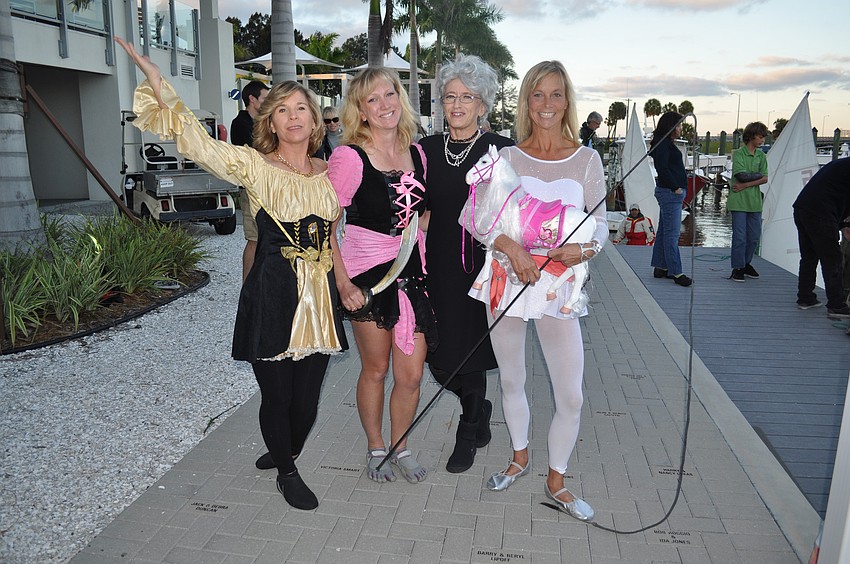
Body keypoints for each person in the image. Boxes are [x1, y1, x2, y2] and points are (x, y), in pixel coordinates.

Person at [115, 37, 348, 511]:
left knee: (306, 404)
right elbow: (199, 144)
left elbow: (333, 237)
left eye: (303, 107)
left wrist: (345, 281)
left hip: (319, 299)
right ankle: (287, 470)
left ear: (316, 119)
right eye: (283, 110)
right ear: (271, 120)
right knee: (277, 396)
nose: (295, 116)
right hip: (272, 292)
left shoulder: (329, 172)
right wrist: (160, 83)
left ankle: (286, 447)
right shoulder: (253, 164)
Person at [466, 60, 606, 522]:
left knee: (571, 396)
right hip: (507, 279)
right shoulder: (506, 157)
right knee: (511, 379)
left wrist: (581, 250)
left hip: (557, 290)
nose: (547, 104)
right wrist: (510, 246)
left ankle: (557, 479)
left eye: (556, 94)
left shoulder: (587, 160)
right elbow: (478, 220)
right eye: (538, 95)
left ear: (568, 101)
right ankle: (519, 456)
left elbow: (601, 225)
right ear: (527, 101)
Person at [327, 67, 436, 484]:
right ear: (361, 111)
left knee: (410, 375)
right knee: (375, 369)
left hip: (414, 274)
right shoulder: (349, 157)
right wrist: (343, 283)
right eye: (373, 100)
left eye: (389, 94)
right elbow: (326, 225)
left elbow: (423, 212)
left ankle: (400, 444)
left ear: (400, 99)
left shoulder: (419, 153)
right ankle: (376, 446)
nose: (384, 105)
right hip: (367, 278)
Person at [419, 55, 514, 474]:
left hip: (483, 266)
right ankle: (480, 405)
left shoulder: (503, 151)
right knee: (437, 359)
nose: (457, 105)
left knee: (470, 352)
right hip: (435, 263)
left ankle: (469, 426)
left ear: (483, 105)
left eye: (467, 97)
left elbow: (521, 208)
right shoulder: (422, 150)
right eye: (450, 96)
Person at [792, 158, 850, 319]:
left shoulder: (841, 165)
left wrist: (845, 225)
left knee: (809, 256)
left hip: (802, 208)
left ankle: (805, 297)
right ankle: (836, 305)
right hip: (821, 213)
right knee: (833, 259)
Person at [231, 80, 270, 282]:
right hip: (251, 188)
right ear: (252, 99)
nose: (268, 102)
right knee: (254, 239)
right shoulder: (240, 124)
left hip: (267, 187)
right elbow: (252, 155)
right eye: (265, 98)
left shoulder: (262, 123)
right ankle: (247, 285)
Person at [649, 111, 692, 286]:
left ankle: (660, 267)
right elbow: (663, 168)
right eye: (679, 125)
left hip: (668, 192)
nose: (681, 129)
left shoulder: (664, 144)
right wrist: (675, 187)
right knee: (672, 234)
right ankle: (676, 272)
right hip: (669, 193)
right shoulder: (664, 145)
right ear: (671, 127)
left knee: (664, 231)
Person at [728, 121, 769, 282]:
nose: (762, 140)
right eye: (760, 136)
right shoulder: (739, 154)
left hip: (755, 203)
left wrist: (745, 184)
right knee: (739, 236)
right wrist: (755, 176)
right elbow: (740, 175)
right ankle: (737, 267)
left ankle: (746, 263)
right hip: (738, 202)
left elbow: (765, 178)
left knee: (753, 236)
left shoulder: (762, 156)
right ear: (751, 136)